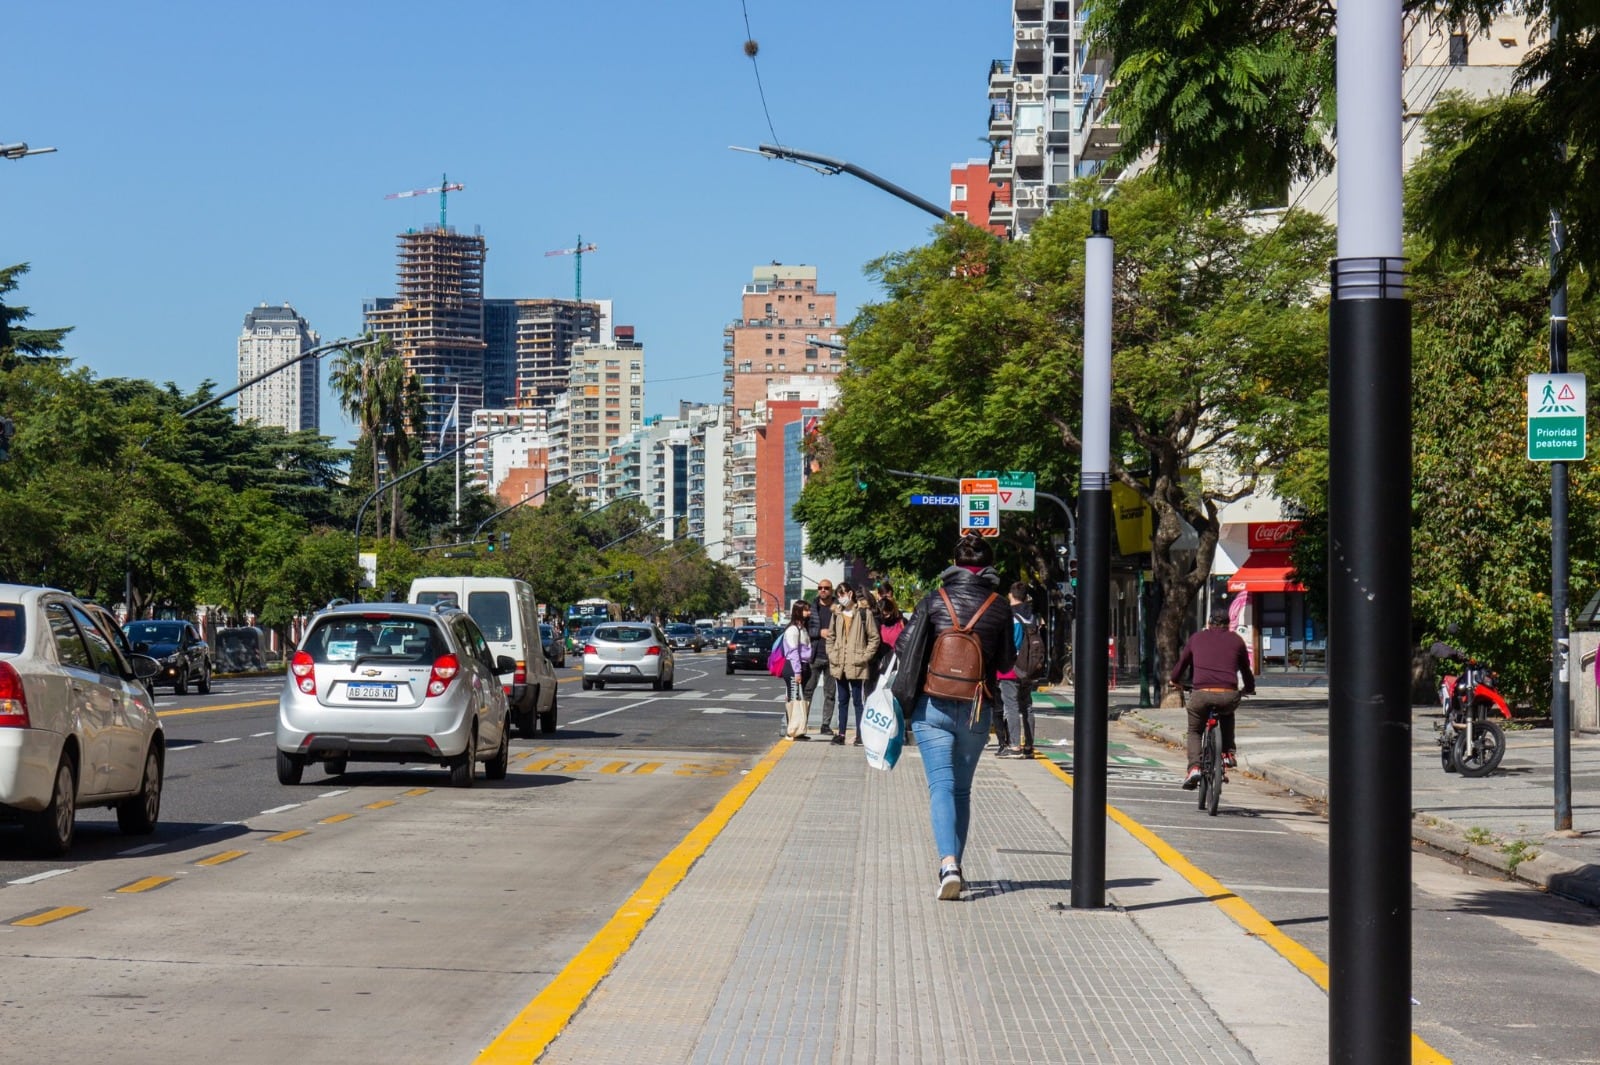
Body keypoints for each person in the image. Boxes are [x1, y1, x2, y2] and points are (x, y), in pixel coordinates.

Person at [890, 534, 1015, 900]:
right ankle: (953, 866)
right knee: (962, 790)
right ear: (988, 566)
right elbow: (1007, 662)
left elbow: (904, 644)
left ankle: (949, 865)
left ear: (954, 564)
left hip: (933, 705)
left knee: (940, 787)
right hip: (977, 707)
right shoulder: (999, 606)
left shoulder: (933, 600)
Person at [1170, 607, 1255, 788]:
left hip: (1201, 694)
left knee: (1194, 731)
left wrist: (1174, 680)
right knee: (1227, 712)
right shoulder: (1237, 641)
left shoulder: (1196, 638)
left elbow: (1181, 664)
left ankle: (1194, 767)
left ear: (1209, 623)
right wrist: (1248, 688)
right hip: (1228, 694)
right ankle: (1228, 753)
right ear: (1228, 624)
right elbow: (1246, 670)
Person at [826, 581, 881, 746]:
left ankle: (860, 735)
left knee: (858, 700)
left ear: (850, 594)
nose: (840, 598)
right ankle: (841, 733)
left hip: (856, 663)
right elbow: (831, 636)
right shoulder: (836, 614)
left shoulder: (864, 614)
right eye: (839, 595)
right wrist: (831, 653)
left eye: (843, 594)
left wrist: (864, 656)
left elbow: (874, 638)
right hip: (839, 662)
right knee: (842, 699)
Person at [995, 582, 1037, 759]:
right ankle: (1028, 746)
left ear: (1011, 595)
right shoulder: (1031, 616)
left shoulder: (1008, 615)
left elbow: (1006, 643)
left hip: (1010, 668)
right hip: (1028, 667)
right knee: (1027, 706)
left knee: (1010, 706)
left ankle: (1014, 746)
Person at [804, 579, 838, 735]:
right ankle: (802, 722)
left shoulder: (838, 608)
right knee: (807, 691)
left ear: (831, 590)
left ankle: (825, 725)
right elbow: (805, 631)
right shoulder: (812, 608)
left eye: (826, 588)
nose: (823, 590)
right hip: (814, 656)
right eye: (820, 588)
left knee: (830, 693)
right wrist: (819, 633)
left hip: (832, 657)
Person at [778, 600, 813, 741]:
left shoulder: (802, 628)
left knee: (798, 698)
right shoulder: (793, 630)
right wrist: (797, 672)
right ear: (799, 611)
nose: (809, 613)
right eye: (806, 610)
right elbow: (793, 653)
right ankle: (790, 731)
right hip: (793, 668)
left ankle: (798, 730)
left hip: (802, 666)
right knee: (793, 699)